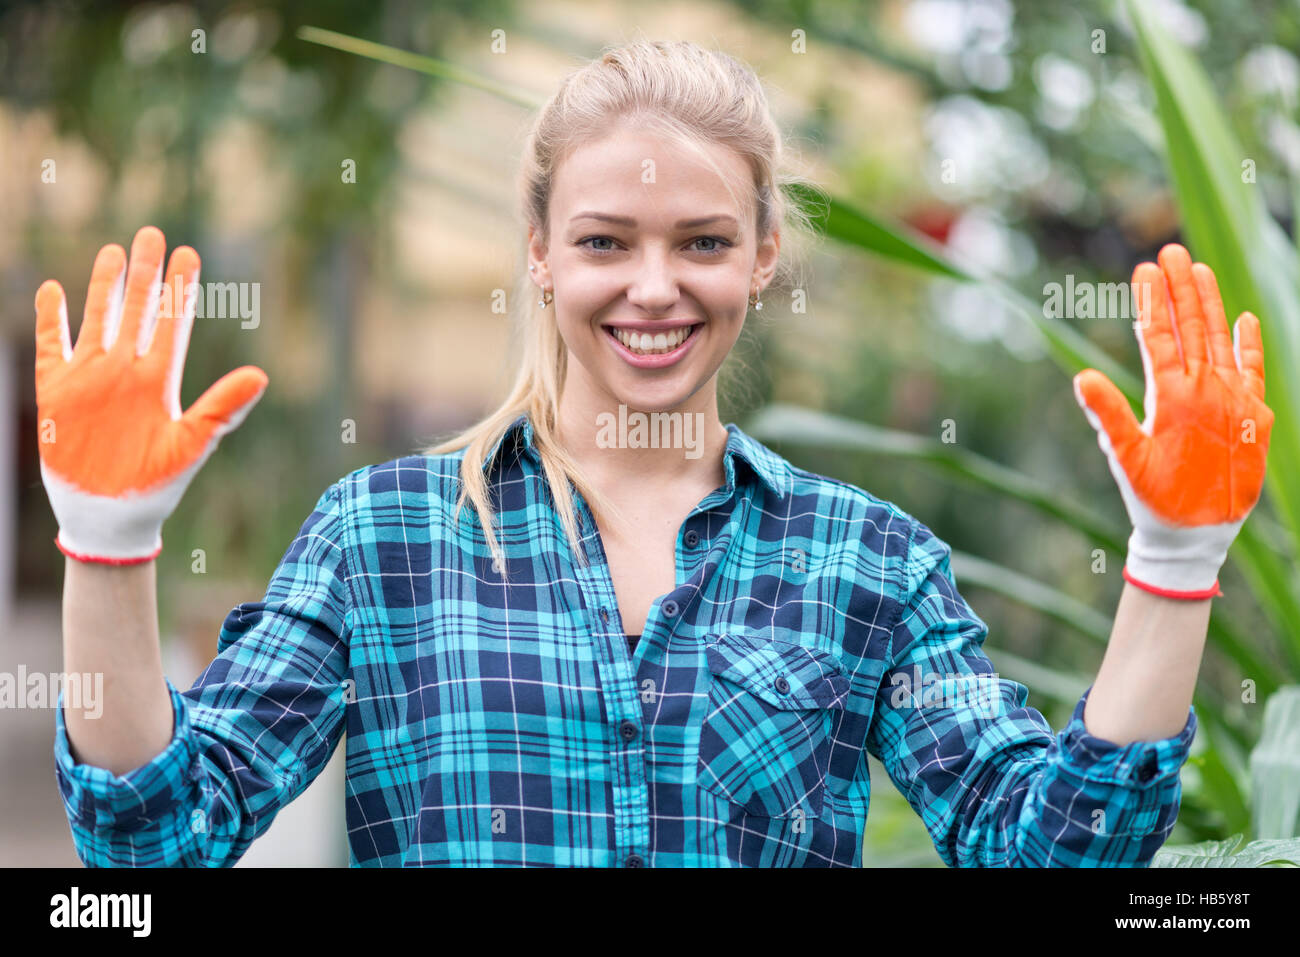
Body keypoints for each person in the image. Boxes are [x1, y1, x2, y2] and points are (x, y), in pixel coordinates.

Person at [37, 39, 1273, 868]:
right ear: (539, 252)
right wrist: (107, 545)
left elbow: (1047, 849)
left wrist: (1171, 564)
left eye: (700, 242)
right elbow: (159, 838)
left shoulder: (868, 560)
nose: (652, 288)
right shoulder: (383, 538)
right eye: (604, 242)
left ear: (763, 255)